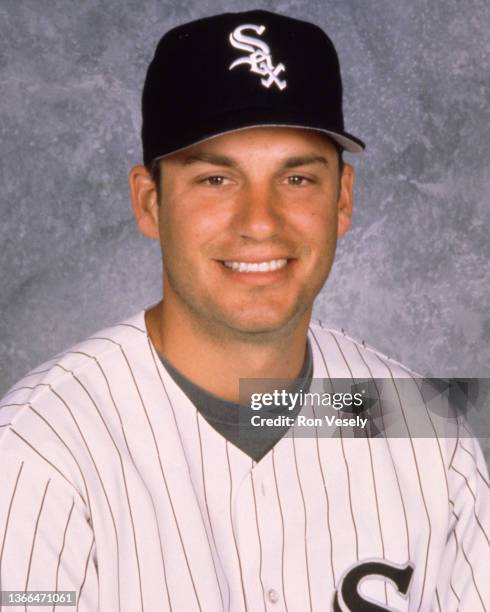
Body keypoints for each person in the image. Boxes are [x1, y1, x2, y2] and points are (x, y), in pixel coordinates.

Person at [0, 10, 488, 612]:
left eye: (298, 179)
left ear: (343, 199)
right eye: (215, 180)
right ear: (150, 203)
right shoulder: (41, 450)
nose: (260, 222)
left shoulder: (424, 428)